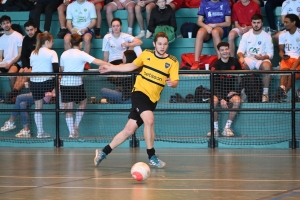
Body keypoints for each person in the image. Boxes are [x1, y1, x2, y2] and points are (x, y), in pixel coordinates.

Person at [95, 32, 179, 168]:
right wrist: (110, 67)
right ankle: (152, 156)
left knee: (128, 130)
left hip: (152, 99)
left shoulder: (173, 61)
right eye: (159, 44)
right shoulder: (146, 54)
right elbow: (129, 66)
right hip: (139, 93)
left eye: (165, 44)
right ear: (154, 44)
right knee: (149, 120)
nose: (162, 47)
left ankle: (103, 152)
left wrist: (172, 83)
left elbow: (175, 81)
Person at [60, 33, 110, 138]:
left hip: (65, 83)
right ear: (81, 43)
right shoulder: (81, 54)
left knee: (69, 107)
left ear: (70, 43)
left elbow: (62, 70)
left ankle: (71, 133)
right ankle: (75, 126)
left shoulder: (64, 54)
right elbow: (97, 61)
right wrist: (111, 66)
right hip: (77, 84)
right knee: (83, 103)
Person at [208, 42, 242, 137]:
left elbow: (242, 77)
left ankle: (227, 128)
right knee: (213, 101)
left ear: (229, 49)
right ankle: (215, 129)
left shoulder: (235, 62)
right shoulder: (215, 66)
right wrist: (221, 98)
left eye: (226, 49)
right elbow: (213, 85)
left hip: (230, 92)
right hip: (218, 92)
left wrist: (238, 91)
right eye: (222, 50)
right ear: (219, 51)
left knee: (237, 100)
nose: (225, 51)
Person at [237, 14, 273, 103]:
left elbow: (270, 54)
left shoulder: (267, 36)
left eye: (258, 23)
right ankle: (243, 92)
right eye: (254, 23)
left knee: (267, 65)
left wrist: (263, 57)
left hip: (261, 60)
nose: (256, 25)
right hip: (249, 59)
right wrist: (241, 57)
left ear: (262, 23)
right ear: (251, 23)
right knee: (239, 64)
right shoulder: (246, 35)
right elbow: (240, 50)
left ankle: (265, 94)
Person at [30, 32, 59, 138]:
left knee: (38, 108)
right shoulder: (52, 52)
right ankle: (62, 104)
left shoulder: (33, 53)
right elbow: (56, 70)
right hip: (47, 83)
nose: (52, 44)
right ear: (47, 42)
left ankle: (40, 132)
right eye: (52, 42)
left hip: (34, 83)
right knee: (61, 86)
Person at [192, 0, 231, 70]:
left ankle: (220, 61)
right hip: (208, 27)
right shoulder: (204, 2)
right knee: (200, 32)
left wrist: (215, 25)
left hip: (220, 28)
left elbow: (228, 23)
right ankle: (196, 62)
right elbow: (199, 21)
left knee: (215, 32)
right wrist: (206, 27)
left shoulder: (225, 2)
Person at [8, 21, 40, 104]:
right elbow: (24, 55)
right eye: (28, 30)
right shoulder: (25, 39)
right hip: (28, 65)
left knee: (25, 74)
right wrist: (25, 67)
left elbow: (40, 56)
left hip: (38, 64)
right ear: (25, 31)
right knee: (20, 73)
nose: (30, 32)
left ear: (35, 29)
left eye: (31, 30)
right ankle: (15, 94)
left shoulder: (40, 38)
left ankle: (13, 95)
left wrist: (30, 68)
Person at [64, 0, 96, 69]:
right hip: (74, 29)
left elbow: (93, 22)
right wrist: (72, 30)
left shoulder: (90, 5)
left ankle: (85, 62)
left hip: (87, 29)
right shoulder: (70, 6)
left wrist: (86, 29)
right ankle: (70, 61)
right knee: (66, 39)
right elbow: (68, 22)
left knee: (87, 39)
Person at [275, 14, 300, 102]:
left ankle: (281, 94)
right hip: (287, 58)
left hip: (298, 60)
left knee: (291, 76)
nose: (284, 24)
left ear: (294, 22)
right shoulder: (282, 34)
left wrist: (294, 66)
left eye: (287, 22)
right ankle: (282, 90)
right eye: (284, 22)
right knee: (284, 71)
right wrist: (282, 55)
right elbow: (281, 50)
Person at [0, 15, 23, 90]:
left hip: (16, 63)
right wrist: (1, 63)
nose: (6, 25)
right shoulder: (1, 38)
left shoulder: (18, 36)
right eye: (4, 23)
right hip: (5, 63)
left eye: (7, 23)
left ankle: (14, 96)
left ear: (11, 23)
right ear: (1, 25)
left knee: (11, 75)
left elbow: (20, 54)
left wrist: (10, 64)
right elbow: (0, 56)